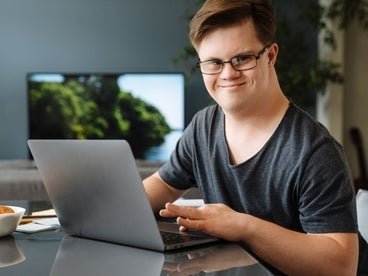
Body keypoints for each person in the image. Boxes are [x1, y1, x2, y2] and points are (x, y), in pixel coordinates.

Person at [143, 0, 359, 274]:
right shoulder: (203, 126)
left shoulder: (315, 151)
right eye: (213, 63)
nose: (228, 74)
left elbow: (342, 267)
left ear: (270, 56)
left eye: (242, 58)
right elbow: (162, 184)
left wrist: (242, 226)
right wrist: (101, 209)